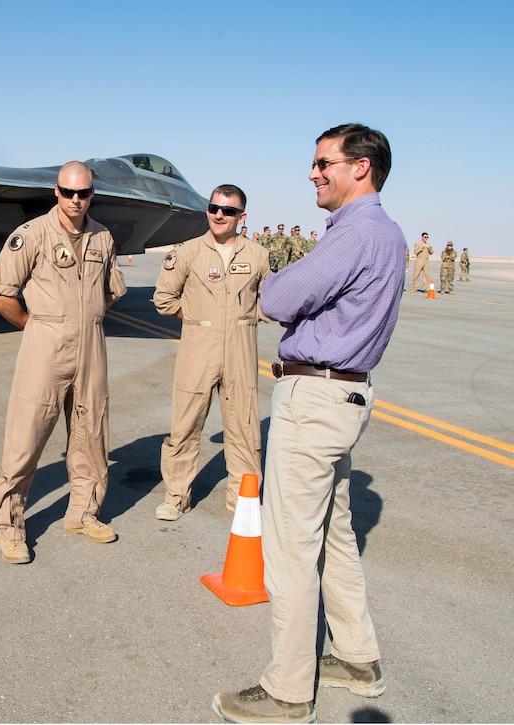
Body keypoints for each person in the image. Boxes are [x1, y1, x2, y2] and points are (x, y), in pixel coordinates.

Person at [213, 123, 404, 723]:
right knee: (335, 536)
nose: (314, 172)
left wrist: (280, 285)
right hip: (344, 400)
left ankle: (288, 692)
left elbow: (278, 298)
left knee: (290, 547)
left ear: (361, 168)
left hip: (316, 399)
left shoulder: (355, 234)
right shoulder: (388, 234)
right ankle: (356, 657)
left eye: (325, 163)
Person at [0, 161, 127, 563]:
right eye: (68, 192)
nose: (76, 200)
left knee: (91, 433)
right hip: (45, 344)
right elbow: (1, 294)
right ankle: (10, 526)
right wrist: (36, 326)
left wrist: (86, 319)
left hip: (91, 345)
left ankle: (83, 513)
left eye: (83, 193)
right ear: (56, 192)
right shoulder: (31, 235)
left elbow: (112, 290)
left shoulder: (102, 237)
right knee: (25, 437)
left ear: (91, 194)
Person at [152, 184, 271, 521]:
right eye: (214, 208)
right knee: (185, 426)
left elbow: (271, 302)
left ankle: (243, 501)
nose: (219, 215)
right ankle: (176, 497)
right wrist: (194, 318)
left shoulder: (258, 256)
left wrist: (247, 318)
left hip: (241, 354)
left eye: (228, 210)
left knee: (245, 430)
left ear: (241, 217)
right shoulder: (188, 252)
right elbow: (164, 299)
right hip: (197, 351)